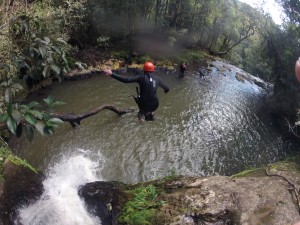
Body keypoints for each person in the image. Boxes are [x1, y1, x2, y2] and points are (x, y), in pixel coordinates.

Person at [103, 62, 169, 121]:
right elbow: (167, 88)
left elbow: (126, 80)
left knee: (141, 112)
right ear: (153, 70)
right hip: (155, 105)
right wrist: (165, 91)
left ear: (144, 70)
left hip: (144, 105)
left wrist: (112, 74)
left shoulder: (141, 77)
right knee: (151, 107)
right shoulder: (158, 79)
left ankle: (141, 119)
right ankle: (151, 113)